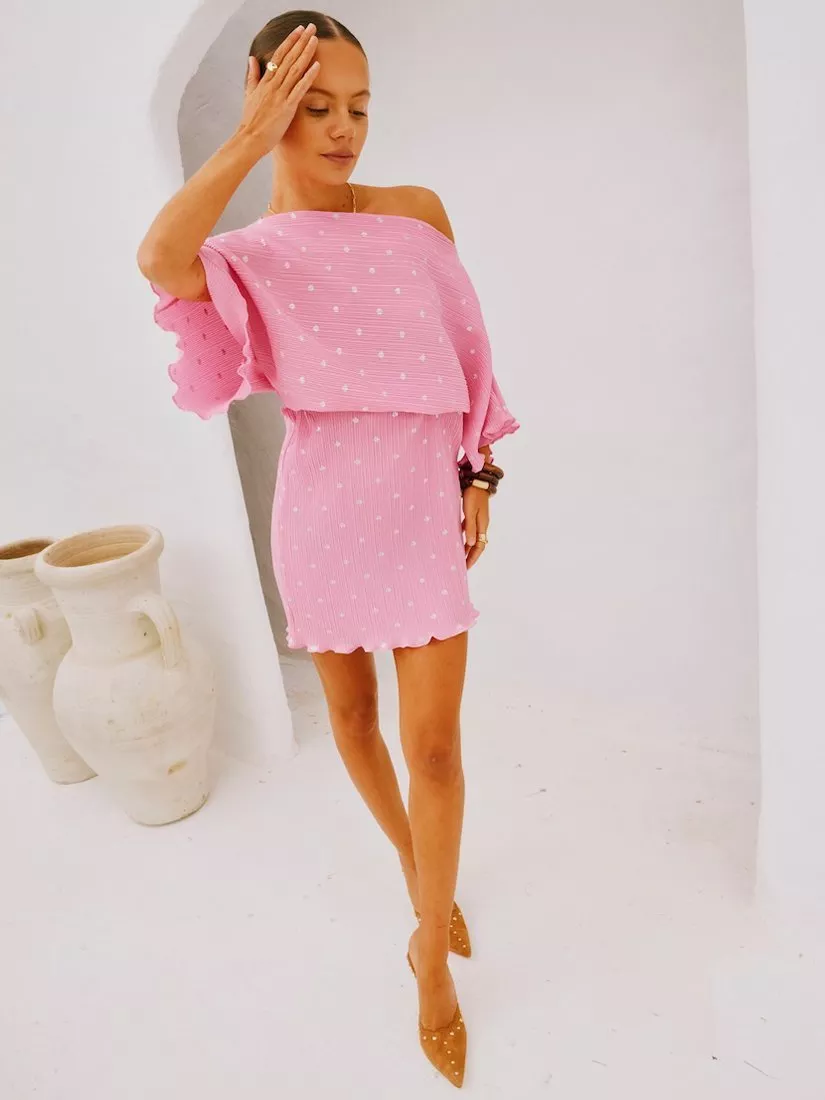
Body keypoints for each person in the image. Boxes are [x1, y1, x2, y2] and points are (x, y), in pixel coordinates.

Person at [137, 10, 519, 1088]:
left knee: (434, 748)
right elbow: (159, 258)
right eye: (315, 106)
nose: (345, 129)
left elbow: (470, 357)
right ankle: (415, 867)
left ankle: (429, 956)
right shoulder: (246, 256)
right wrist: (248, 140)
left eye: (358, 106)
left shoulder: (416, 214)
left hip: (418, 504)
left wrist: (479, 474)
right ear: (268, 97)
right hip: (323, 510)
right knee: (351, 721)